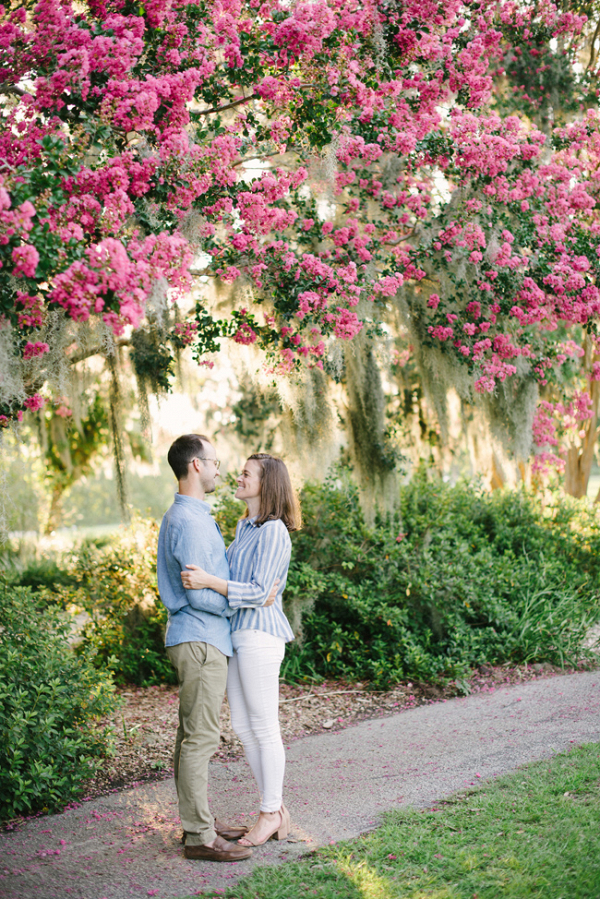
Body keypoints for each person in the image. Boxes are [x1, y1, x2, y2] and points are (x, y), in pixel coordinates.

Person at [157, 434, 275, 863]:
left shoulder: (193, 516)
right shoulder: (188, 521)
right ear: (195, 466)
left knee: (191, 735)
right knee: (200, 738)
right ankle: (200, 837)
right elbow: (198, 593)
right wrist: (246, 600)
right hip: (201, 637)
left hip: (201, 637)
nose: (221, 471)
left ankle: (198, 822)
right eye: (215, 462)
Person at [181, 453, 300, 847]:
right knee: (243, 727)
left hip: (260, 638)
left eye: (248, 474)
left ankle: (270, 813)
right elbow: (250, 592)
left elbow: (260, 593)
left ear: (267, 485)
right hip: (237, 635)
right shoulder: (245, 528)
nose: (239, 476)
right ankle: (276, 810)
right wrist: (233, 590)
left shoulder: (273, 532)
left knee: (264, 726)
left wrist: (210, 582)